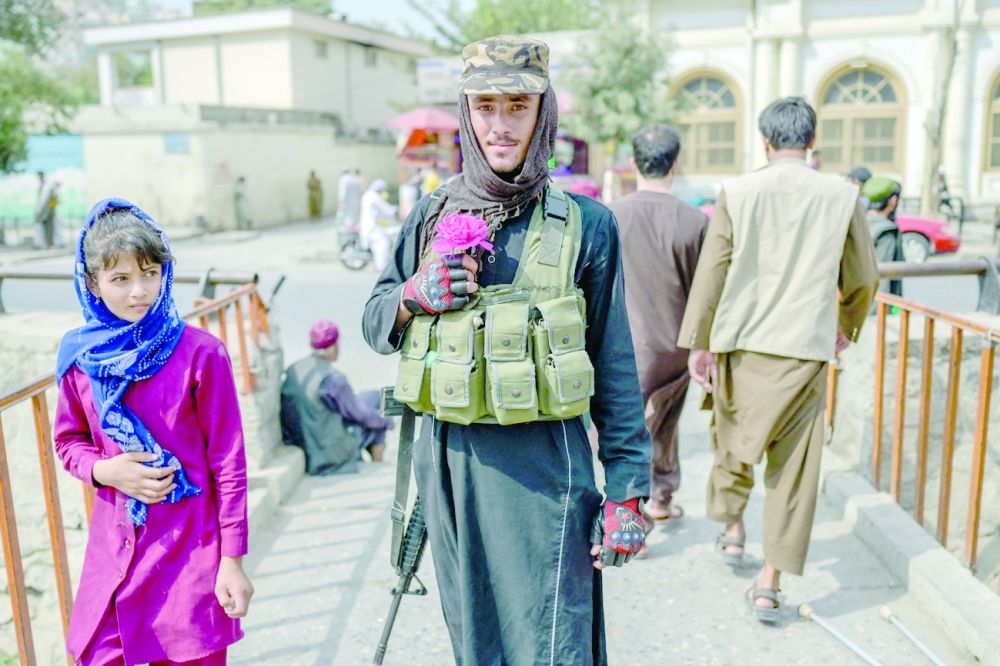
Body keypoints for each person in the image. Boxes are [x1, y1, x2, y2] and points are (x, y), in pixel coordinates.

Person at [363, 35, 651, 664]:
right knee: (477, 644)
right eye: (485, 106)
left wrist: (628, 492)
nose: (501, 125)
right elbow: (375, 318)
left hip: (547, 469)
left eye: (518, 106)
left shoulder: (588, 225)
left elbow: (616, 366)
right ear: (466, 114)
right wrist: (414, 295)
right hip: (451, 469)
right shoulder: (431, 216)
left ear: (543, 113)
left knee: (554, 642)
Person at [677, 97, 879, 624]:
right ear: (812, 142)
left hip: (740, 344)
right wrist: (846, 326)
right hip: (805, 349)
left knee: (733, 442)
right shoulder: (843, 195)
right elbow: (863, 277)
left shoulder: (737, 191)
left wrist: (699, 342)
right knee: (794, 472)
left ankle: (733, 530)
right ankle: (769, 583)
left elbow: (713, 271)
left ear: (765, 142)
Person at [53, 199, 253, 664]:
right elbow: (68, 441)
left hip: (190, 557)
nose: (139, 291)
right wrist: (105, 471)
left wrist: (233, 560)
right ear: (92, 283)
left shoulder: (201, 354)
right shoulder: (81, 359)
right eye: (120, 279)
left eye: (150, 273)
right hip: (115, 555)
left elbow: (229, 463)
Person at [607, 123, 709, 532]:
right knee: (664, 423)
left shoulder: (610, 216)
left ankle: (633, 515)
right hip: (677, 347)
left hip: (621, 344)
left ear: (633, 163)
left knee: (626, 432)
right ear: (676, 163)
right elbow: (705, 291)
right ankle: (660, 500)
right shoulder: (696, 221)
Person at [281, 320, 394, 474]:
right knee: (378, 414)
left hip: (305, 439)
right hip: (327, 452)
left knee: (372, 397)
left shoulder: (294, 369)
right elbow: (360, 416)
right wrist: (387, 421)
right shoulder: (334, 380)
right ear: (335, 347)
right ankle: (377, 463)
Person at [863, 176, 905, 295]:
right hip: (875, 302)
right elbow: (883, 280)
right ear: (893, 200)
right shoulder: (885, 233)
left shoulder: (859, 223)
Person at [359, 178, 397, 271]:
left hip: (368, 225)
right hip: (371, 227)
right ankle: (380, 267)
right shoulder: (374, 197)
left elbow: (380, 211)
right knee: (384, 243)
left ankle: (378, 265)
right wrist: (395, 211)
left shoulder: (367, 195)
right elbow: (385, 208)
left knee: (377, 246)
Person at [34, 172, 59, 249]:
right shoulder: (43, 186)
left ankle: (50, 244)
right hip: (43, 213)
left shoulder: (49, 187)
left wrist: (51, 210)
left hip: (49, 213)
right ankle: (44, 244)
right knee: (43, 229)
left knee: (50, 229)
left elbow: (53, 201)